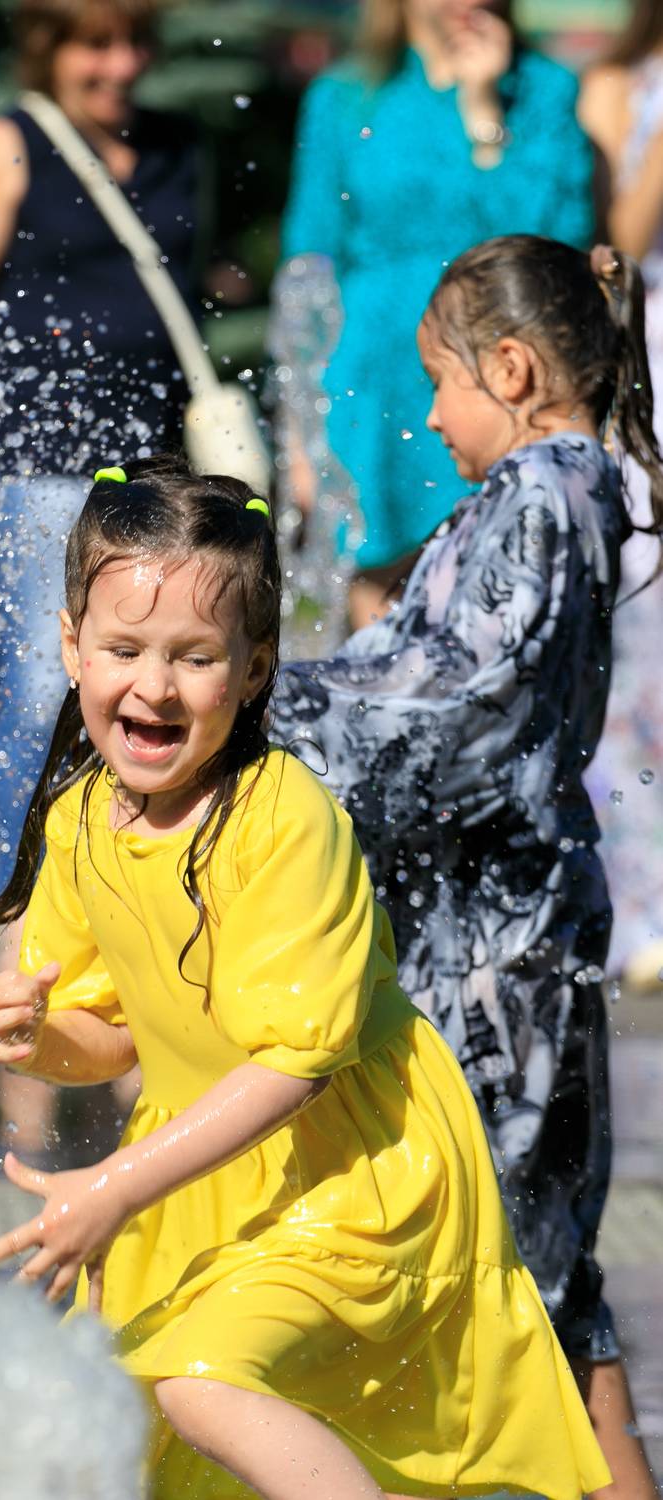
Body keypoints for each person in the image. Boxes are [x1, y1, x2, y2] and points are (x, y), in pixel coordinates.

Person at [0, 457, 610, 1500]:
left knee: (203, 1382)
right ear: (71, 646)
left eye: (194, 657)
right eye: (123, 649)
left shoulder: (283, 821)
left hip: (353, 1172)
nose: (153, 686)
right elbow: (113, 1037)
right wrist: (38, 1038)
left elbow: (296, 1067)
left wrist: (113, 1185)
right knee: (142, 1438)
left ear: (255, 667)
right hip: (201, 1170)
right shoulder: (79, 821)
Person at [274, 234, 661, 1498]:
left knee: (480, 1268)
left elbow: (453, 701)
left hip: (495, 968)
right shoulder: (549, 494)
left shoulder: (541, 495)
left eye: (440, 382)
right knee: (543, 1281)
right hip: (511, 941)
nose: (431, 416)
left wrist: (263, 706)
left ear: (509, 368)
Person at [0, 0, 202, 1163]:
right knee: (47, 703)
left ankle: (138, 986)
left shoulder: (175, 148)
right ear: (48, 45)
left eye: (132, 41)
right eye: (92, 42)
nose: (117, 65)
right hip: (36, 477)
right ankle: (26, 951)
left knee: (152, 705)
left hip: (153, 480)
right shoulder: (8, 144)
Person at [275, 0, 595, 631]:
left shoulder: (543, 90)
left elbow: (553, 253)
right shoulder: (346, 96)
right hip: (372, 379)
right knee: (381, 599)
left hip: (496, 375)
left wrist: (484, 113)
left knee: (501, 590)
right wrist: (297, 436)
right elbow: (308, 265)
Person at [578, 0, 663, 990]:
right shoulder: (615, 85)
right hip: (651, 366)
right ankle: (640, 901)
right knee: (641, 646)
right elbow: (619, 240)